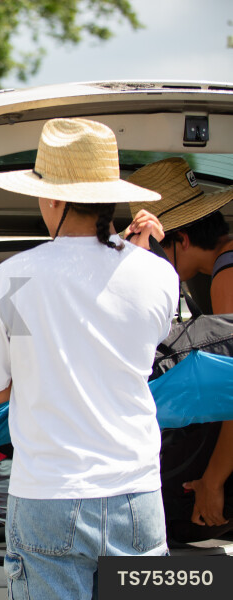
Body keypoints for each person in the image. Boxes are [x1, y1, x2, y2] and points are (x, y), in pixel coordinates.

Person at [0, 118, 179, 598]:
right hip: (138, 494)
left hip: (48, 496)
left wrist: (37, 367)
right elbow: (139, 343)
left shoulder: (12, 278)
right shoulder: (158, 273)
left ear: (55, 198)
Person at [126, 157, 233, 543]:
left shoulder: (227, 275)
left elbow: (231, 392)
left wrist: (213, 481)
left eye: (157, 251)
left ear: (181, 240)